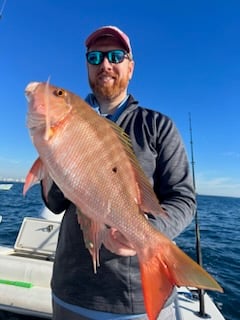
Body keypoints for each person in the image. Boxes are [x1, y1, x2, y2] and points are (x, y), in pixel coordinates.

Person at [41, 25, 196, 320]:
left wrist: (147, 233)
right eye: (95, 57)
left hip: (135, 302)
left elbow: (183, 199)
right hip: (69, 291)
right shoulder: (62, 120)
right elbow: (53, 203)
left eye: (115, 55)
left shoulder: (158, 127)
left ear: (131, 67)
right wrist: (53, 157)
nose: (106, 64)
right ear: (87, 65)